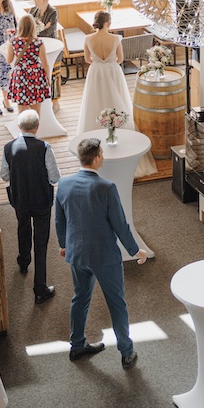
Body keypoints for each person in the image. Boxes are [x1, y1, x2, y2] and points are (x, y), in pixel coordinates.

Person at [55, 137, 147, 368]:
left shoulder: (63, 184)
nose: (103, 158)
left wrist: (64, 245)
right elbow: (119, 223)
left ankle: (77, 346)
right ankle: (126, 352)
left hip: (77, 254)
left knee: (80, 298)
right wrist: (136, 250)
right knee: (117, 303)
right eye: (102, 155)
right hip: (104, 256)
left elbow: (59, 220)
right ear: (96, 159)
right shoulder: (106, 187)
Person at [1, 109, 60, 303]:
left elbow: (4, 175)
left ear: (19, 127)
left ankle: (23, 261)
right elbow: (54, 177)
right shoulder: (44, 147)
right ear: (37, 127)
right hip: (41, 200)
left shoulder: (8, 147)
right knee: (41, 242)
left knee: (23, 227)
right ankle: (40, 288)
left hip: (20, 200)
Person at [76, 9, 134, 135]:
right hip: (113, 70)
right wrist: (109, 64)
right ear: (107, 23)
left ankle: (96, 126)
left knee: (96, 96)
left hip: (95, 71)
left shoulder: (88, 38)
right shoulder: (116, 39)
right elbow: (120, 59)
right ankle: (118, 124)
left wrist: (98, 64)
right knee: (116, 95)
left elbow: (87, 59)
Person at [4, 14, 51, 116]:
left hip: (20, 75)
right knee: (36, 110)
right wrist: (48, 79)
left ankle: (23, 130)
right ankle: (35, 130)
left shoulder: (13, 42)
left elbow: (9, 60)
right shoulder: (38, 42)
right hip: (36, 76)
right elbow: (45, 64)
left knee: (22, 110)